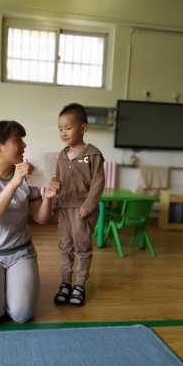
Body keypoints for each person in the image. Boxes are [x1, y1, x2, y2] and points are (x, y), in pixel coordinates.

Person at [0, 120, 59, 326]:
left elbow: (41, 219)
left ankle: (7, 294)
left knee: (22, 315)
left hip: (21, 253)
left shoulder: (28, 176)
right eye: (18, 140)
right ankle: (0, 295)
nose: (24, 146)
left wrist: (49, 197)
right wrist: (15, 182)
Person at [53, 103, 105, 306]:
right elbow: (57, 179)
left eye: (68, 127)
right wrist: (54, 195)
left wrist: (88, 206)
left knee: (82, 248)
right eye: (60, 128)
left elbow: (98, 183)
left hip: (82, 210)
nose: (63, 133)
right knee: (64, 247)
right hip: (64, 208)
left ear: (82, 128)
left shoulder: (93, 155)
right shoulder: (61, 155)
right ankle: (65, 283)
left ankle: (80, 285)